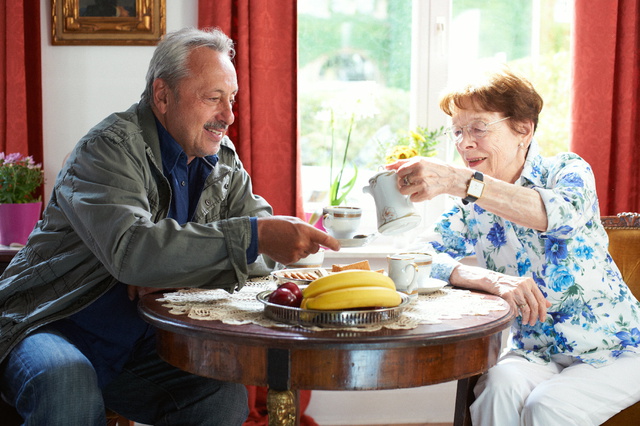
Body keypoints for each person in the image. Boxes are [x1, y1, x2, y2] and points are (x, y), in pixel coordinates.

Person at [0, 27, 339, 426]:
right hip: (48, 323)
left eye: (231, 99)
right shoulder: (107, 149)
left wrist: (184, 273)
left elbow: (265, 251)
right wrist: (247, 240)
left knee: (222, 396)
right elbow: (135, 251)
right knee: (68, 383)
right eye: (213, 98)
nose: (229, 116)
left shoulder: (222, 159)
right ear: (163, 95)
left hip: (134, 345)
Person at [386, 67, 640, 425]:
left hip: (617, 349)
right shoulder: (472, 205)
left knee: (548, 406)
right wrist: (489, 279)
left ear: (524, 129)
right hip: (537, 351)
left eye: (477, 128)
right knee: (498, 386)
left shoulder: (567, 170)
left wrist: (463, 182)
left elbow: (556, 215)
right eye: (457, 131)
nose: (464, 143)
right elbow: (419, 254)